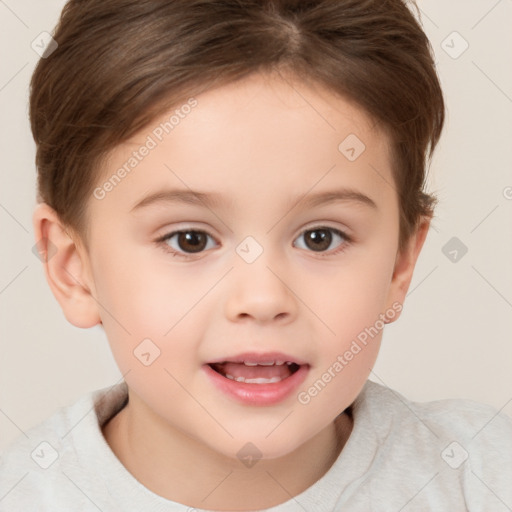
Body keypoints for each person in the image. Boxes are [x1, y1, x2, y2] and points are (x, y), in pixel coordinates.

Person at [1, 0, 511, 510]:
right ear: (73, 270)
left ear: (400, 265)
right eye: (190, 240)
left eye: (320, 237)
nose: (263, 298)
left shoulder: (484, 478)